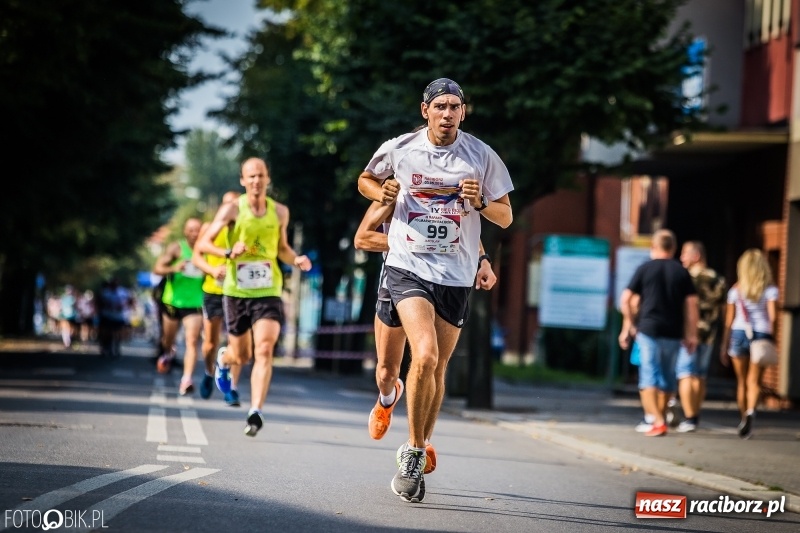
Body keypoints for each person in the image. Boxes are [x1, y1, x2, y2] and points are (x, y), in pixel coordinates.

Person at [358, 78, 514, 502]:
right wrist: (383, 189)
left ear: (464, 111)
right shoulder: (402, 148)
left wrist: (481, 203)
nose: (448, 114)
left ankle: (421, 439)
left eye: (455, 107)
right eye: (440, 106)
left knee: (437, 367)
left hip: (455, 274)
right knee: (421, 354)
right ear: (425, 110)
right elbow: (365, 181)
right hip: (408, 265)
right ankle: (412, 452)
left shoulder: (481, 156)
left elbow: (505, 217)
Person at [353, 200, 497, 475]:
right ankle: (386, 398)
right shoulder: (395, 195)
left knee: (433, 361)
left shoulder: (451, 192)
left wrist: (482, 260)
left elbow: (465, 232)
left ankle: (421, 443)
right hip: (397, 280)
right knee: (386, 371)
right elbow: (362, 238)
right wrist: (408, 242)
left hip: (443, 282)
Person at [195, 157, 311, 437]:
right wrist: (227, 253)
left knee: (264, 348)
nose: (256, 181)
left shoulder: (280, 212)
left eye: (261, 175)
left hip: (268, 290)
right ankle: (224, 359)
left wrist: (295, 259)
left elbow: (281, 248)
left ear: (268, 179)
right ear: (243, 181)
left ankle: (255, 410)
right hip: (237, 291)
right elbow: (203, 243)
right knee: (242, 355)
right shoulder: (233, 209)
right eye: (251, 176)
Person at [618, 229, 699, 437]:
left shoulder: (644, 269)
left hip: (648, 330)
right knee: (667, 379)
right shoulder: (682, 272)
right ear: (673, 248)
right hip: (673, 332)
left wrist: (628, 325)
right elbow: (691, 306)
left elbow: (625, 299)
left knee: (648, 376)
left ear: (654, 247)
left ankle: (657, 419)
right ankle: (659, 418)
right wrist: (691, 334)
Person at [191, 191, 244, 406]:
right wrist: (212, 270)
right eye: (227, 205)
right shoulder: (209, 228)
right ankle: (207, 371)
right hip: (213, 290)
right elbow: (196, 257)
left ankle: (232, 388)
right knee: (211, 342)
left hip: (238, 291)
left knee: (237, 342)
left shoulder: (244, 229)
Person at [719, 248, 779, 439]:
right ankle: (752, 412)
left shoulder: (735, 291)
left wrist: (723, 345)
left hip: (738, 333)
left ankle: (743, 417)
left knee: (742, 382)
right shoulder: (771, 290)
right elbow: (774, 317)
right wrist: (772, 336)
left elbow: (729, 321)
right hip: (761, 334)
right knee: (755, 381)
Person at [672, 240, 726, 432]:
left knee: (686, 374)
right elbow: (722, 309)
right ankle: (695, 416)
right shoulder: (718, 278)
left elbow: (683, 306)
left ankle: (689, 417)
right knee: (700, 376)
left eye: (685, 253)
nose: (681, 258)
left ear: (696, 256)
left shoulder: (685, 278)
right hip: (709, 333)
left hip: (688, 332)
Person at [152, 218, 205, 395]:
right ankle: (167, 353)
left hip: (195, 302)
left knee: (192, 340)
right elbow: (158, 268)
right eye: (191, 230)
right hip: (172, 302)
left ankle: (187, 379)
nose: (194, 233)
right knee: (168, 340)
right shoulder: (177, 248)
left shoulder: (206, 250)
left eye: (197, 230)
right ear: (185, 231)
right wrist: (175, 267)